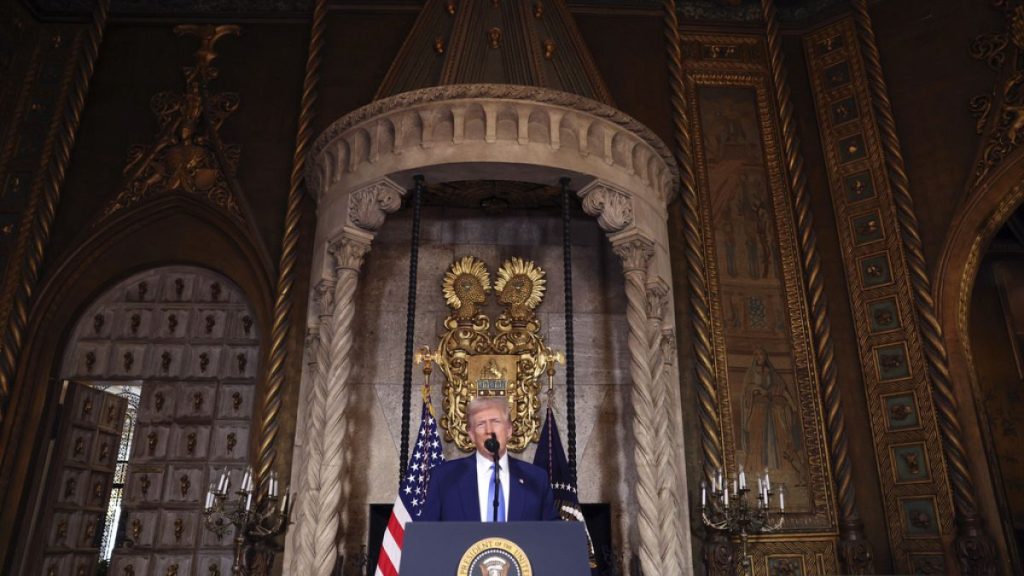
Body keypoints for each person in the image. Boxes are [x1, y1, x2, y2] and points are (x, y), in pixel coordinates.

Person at [419, 396, 559, 522]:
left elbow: (552, 536)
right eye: (481, 424)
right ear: (472, 435)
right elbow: (427, 535)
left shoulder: (536, 479)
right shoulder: (444, 478)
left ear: (509, 430)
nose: (489, 430)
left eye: (496, 421)